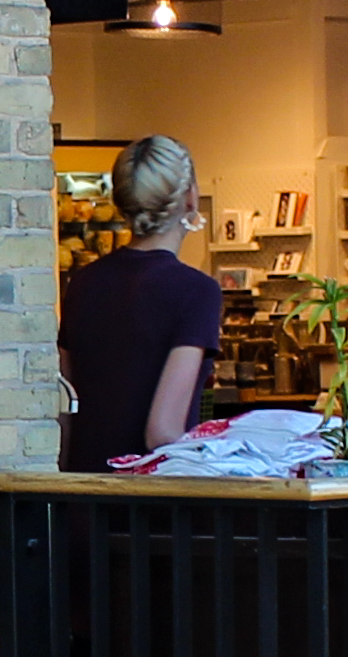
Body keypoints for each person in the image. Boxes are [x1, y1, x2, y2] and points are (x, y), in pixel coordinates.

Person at [58, 135, 224, 468]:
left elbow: (65, 407)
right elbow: (162, 433)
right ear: (191, 196)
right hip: (150, 503)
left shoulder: (83, 283)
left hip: (82, 493)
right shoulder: (196, 291)